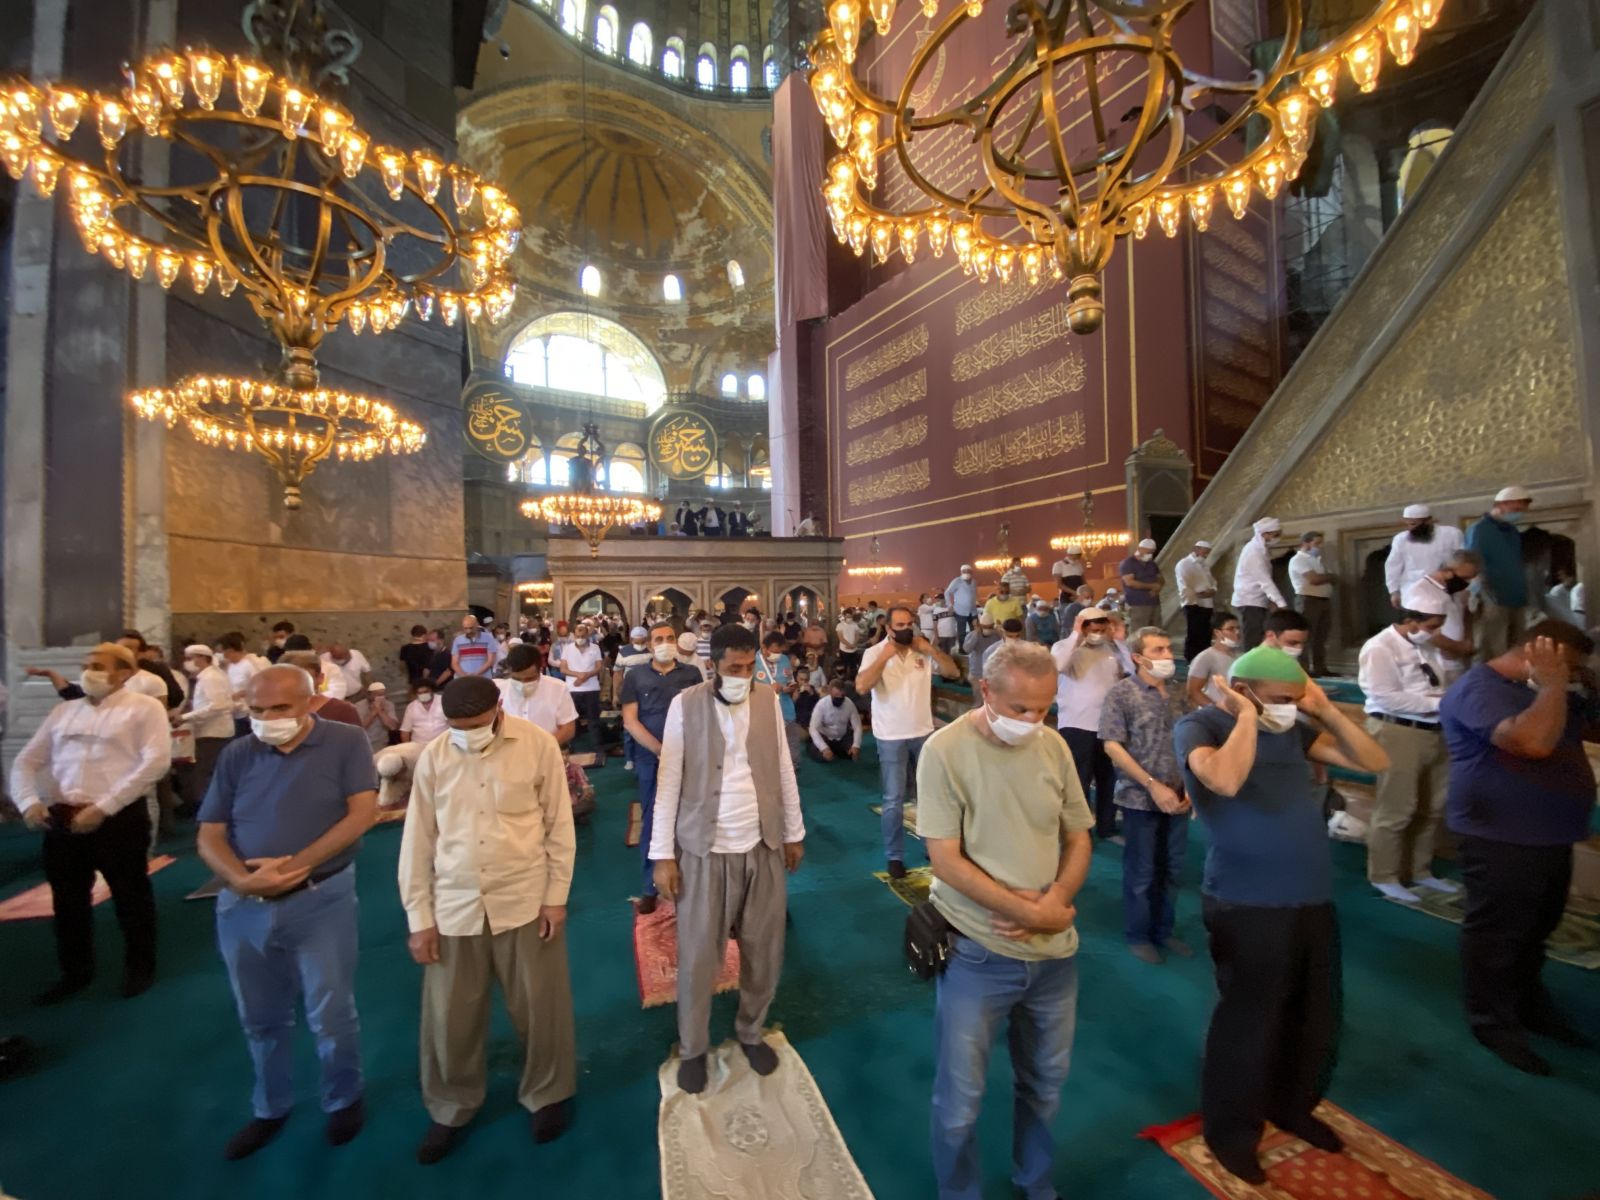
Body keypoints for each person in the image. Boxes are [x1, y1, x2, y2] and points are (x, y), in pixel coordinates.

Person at [1174, 646, 1388, 1184]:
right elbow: (1222, 781)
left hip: (1310, 895)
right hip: (1245, 901)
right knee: (1249, 1022)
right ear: (1242, 690)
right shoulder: (1200, 725)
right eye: (1279, 700)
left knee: (1314, 1016)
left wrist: (1328, 711)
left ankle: (1293, 1105)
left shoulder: (1294, 728)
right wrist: (1246, 718)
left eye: (1295, 700)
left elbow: (1375, 761)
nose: (1287, 709)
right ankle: (1232, 1131)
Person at [919, 640, 1094, 1200]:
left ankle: (1035, 1183)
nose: (1033, 721)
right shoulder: (944, 751)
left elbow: (1078, 835)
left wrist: (1057, 900)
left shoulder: (1054, 747)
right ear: (986, 691)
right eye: (1021, 709)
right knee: (959, 1103)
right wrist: (1029, 912)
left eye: (1044, 709)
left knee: (1044, 1087)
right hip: (978, 952)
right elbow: (943, 857)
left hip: (1054, 957)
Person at [197, 666, 379, 1160]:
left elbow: (361, 814)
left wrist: (296, 867)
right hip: (243, 905)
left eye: (280, 709)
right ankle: (270, 1106)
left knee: (331, 1009)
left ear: (309, 702)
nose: (267, 719)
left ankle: (343, 1097)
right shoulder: (239, 753)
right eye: (257, 711)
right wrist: (239, 879)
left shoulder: (344, 741)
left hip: (321, 896)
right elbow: (210, 833)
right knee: (260, 1014)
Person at [398, 675, 576, 1163]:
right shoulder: (435, 755)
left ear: (499, 709)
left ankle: (548, 1092)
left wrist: (555, 896)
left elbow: (558, 825)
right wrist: (419, 917)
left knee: (540, 1007)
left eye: (475, 725)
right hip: (454, 904)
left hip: (523, 897)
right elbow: (418, 841)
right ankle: (451, 1106)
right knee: (449, 1017)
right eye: (457, 727)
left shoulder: (536, 745)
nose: (467, 734)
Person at [647, 624, 806, 1094]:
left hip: (762, 843)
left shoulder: (767, 701)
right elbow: (669, 780)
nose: (743, 675)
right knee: (699, 954)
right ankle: (694, 1047)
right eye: (734, 668)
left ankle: (751, 1029)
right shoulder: (685, 704)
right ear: (712, 664)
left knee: (764, 947)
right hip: (703, 847)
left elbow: (782, 767)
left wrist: (794, 832)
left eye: (748, 666)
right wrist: (662, 854)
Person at [1439, 620, 1600, 1076]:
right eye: (1566, 666)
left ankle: (1529, 1005)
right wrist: (1552, 686)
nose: (1569, 676)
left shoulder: (1549, 689)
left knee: (1536, 929)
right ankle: (1493, 1022)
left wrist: (1583, 688)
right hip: (1500, 836)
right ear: (1536, 651)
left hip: (1550, 832)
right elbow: (1529, 743)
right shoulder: (1480, 688)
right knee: (1498, 936)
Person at [10, 643, 169, 1004]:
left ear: (124, 673)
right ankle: (76, 971)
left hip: (118, 818)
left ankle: (140, 967)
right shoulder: (64, 711)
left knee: (131, 896)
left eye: (97, 665)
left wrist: (105, 806)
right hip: (63, 818)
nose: (88, 671)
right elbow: (27, 761)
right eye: (85, 665)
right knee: (67, 902)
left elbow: (156, 762)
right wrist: (29, 802)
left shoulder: (144, 709)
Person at [1358, 582, 1454, 903]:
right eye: (1430, 626)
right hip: (1397, 731)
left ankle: (1420, 871)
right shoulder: (1380, 647)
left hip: (1435, 731)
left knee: (1432, 806)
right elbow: (1385, 696)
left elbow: (1432, 683)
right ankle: (1384, 875)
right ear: (1410, 619)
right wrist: (1440, 703)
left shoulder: (1426, 646)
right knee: (1397, 807)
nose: (1434, 632)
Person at [1100, 627, 1191, 963]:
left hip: (1179, 796)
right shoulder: (1121, 694)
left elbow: (1191, 741)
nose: (1167, 656)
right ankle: (1139, 934)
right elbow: (1112, 745)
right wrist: (1153, 784)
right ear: (1137, 657)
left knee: (1173, 867)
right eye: (1158, 650)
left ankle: (1162, 930)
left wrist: (1190, 786)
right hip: (1140, 797)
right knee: (1142, 870)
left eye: (1168, 649)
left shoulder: (1178, 694)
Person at [855, 605, 961, 878]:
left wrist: (931, 651)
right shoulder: (874, 653)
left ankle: (932, 846)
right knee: (894, 798)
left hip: (922, 731)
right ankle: (894, 856)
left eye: (909, 624)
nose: (905, 629)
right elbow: (862, 687)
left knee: (928, 794)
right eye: (899, 625)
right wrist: (884, 658)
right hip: (890, 735)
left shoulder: (921, 650)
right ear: (888, 628)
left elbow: (952, 673)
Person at [622, 622, 707, 913]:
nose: (666, 642)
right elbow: (630, 720)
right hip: (652, 758)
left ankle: (694, 883)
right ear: (649, 644)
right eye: (659, 638)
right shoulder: (635, 676)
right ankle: (650, 887)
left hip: (690, 757)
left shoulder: (692, 674)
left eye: (670, 638)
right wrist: (660, 750)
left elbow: (701, 714)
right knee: (655, 820)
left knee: (693, 818)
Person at [1050, 607, 1126, 842]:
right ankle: (1080, 832)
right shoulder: (1065, 647)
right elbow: (1059, 666)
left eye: (1101, 629)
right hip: (1077, 724)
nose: (1097, 633)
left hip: (1108, 725)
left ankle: (1106, 825)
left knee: (1108, 779)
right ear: (1082, 626)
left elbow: (1133, 671)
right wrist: (1076, 636)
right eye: (1092, 629)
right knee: (1079, 781)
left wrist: (1121, 640)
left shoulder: (1111, 649)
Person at [1465, 486, 1534, 659]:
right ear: (1502, 504)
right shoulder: (1480, 529)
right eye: (1516, 509)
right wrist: (1483, 594)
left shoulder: (1512, 531)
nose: (1519, 513)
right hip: (1492, 598)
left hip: (1516, 598)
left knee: (1516, 649)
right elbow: (1472, 565)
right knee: (1492, 651)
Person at [178, 643, 239, 811]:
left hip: (214, 733)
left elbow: (217, 705)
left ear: (202, 658)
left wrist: (185, 717)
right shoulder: (209, 675)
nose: (187, 662)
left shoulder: (210, 677)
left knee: (206, 775)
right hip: (211, 731)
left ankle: (210, 812)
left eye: (190, 658)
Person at [1386, 503, 1466, 609]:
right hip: (1413, 592)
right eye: (1408, 524)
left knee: (1450, 623)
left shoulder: (1451, 534)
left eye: (1414, 524)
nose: (1410, 528)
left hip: (1447, 590)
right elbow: (1393, 566)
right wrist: (1394, 591)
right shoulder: (1401, 539)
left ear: (1428, 521)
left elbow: (1463, 561)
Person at [1232, 517, 1287, 649]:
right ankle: (1249, 669)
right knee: (1253, 639)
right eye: (1276, 535)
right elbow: (1265, 580)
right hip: (1250, 601)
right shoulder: (1253, 551)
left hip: (1257, 601)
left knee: (1259, 637)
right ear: (1265, 534)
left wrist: (1271, 601)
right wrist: (1281, 603)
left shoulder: (1262, 549)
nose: (1278, 537)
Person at [1288, 531, 1335, 676]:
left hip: (1323, 600)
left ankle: (1320, 668)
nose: (1319, 547)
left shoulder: (1315, 560)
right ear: (1306, 543)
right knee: (1306, 636)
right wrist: (1330, 576)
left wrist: (1325, 577)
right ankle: (1304, 670)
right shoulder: (1299, 560)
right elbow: (1314, 579)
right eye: (1316, 543)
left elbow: (1321, 578)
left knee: (1321, 637)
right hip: (1308, 600)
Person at [557, 623, 603, 756]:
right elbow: (563, 669)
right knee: (572, 720)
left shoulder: (595, 648)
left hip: (592, 688)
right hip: (573, 689)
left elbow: (599, 667)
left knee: (593, 720)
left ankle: (598, 748)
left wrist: (586, 676)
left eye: (583, 635)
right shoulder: (567, 648)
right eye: (578, 635)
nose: (580, 638)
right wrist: (579, 675)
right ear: (574, 635)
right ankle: (571, 747)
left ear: (587, 635)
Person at [613, 628, 653, 769]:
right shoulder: (624, 652)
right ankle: (630, 758)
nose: (639, 641)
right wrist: (615, 694)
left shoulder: (652, 651)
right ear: (631, 639)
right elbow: (618, 674)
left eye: (642, 638)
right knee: (629, 725)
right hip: (630, 692)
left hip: (649, 693)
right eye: (637, 638)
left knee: (648, 724)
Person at [1184, 612, 1242, 710]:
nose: (1237, 632)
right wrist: (1217, 710)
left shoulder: (1240, 656)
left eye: (1238, 628)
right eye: (1231, 629)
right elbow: (1193, 691)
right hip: (1216, 714)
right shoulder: (1206, 657)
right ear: (1217, 632)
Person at [1175, 540, 1218, 663]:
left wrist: (1212, 590)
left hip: (1207, 603)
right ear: (1196, 549)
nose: (1205, 555)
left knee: (1206, 633)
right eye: (1204, 552)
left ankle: (1205, 658)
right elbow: (1185, 584)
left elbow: (1212, 581)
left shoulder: (1204, 566)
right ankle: (1192, 659)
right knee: (1194, 633)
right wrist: (1199, 594)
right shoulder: (1183, 564)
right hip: (1193, 603)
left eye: (1207, 553)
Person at [221, 632, 266, 737]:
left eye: (225, 652)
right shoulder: (230, 666)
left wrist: (241, 693)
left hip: (247, 712)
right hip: (234, 710)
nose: (224, 655)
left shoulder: (248, 665)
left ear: (230, 651)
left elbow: (259, 686)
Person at [808, 677, 862, 762]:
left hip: (842, 737)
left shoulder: (849, 704)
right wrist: (824, 748)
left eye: (842, 697)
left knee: (852, 756)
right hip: (824, 737)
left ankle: (837, 751)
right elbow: (813, 728)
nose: (839, 698)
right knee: (822, 758)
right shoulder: (821, 705)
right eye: (836, 696)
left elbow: (857, 726)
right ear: (830, 693)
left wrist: (856, 745)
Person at [1118, 537, 1164, 629]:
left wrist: (1157, 587)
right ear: (1139, 549)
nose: (1150, 555)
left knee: (1156, 630)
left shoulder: (1152, 564)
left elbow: (1160, 579)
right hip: (1137, 604)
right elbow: (1130, 582)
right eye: (1148, 552)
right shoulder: (1128, 563)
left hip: (1154, 602)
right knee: (1139, 632)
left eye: (1152, 552)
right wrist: (1152, 586)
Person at [451, 615, 502, 679]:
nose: (468, 631)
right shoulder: (458, 640)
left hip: (483, 678)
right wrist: (464, 676)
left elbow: (490, 661)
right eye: (465, 628)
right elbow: (454, 663)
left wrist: (476, 674)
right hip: (462, 679)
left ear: (477, 625)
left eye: (471, 628)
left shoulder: (488, 638)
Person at [962, 613, 1000, 692]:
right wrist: (977, 634)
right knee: (979, 700)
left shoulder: (997, 636)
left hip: (991, 674)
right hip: (976, 673)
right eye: (985, 627)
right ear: (980, 626)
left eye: (990, 627)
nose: (988, 629)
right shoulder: (972, 635)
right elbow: (967, 649)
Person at [359, 682, 399, 753]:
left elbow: (393, 726)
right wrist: (374, 711)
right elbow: (361, 727)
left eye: (382, 694)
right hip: (363, 742)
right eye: (378, 694)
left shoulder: (389, 704)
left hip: (382, 743)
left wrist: (380, 711)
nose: (381, 697)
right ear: (369, 695)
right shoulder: (359, 706)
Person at [945, 565, 979, 641]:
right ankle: (962, 649)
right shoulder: (957, 581)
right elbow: (947, 592)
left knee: (975, 630)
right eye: (964, 571)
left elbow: (974, 594)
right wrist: (949, 605)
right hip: (960, 612)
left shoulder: (974, 582)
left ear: (971, 572)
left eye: (968, 571)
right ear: (961, 572)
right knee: (961, 632)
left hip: (973, 612)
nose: (966, 573)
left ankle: (974, 648)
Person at [836, 607, 863, 679]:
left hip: (854, 649)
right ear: (844, 616)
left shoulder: (855, 625)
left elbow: (857, 635)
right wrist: (849, 645)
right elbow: (841, 638)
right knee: (843, 666)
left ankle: (852, 679)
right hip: (844, 649)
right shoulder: (840, 625)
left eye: (850, 617)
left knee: (853, 666)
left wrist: (854, 645)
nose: (849, 618)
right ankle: (843, 679)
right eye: (847, 616)